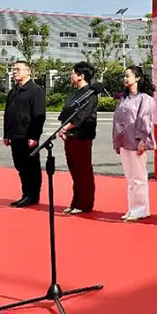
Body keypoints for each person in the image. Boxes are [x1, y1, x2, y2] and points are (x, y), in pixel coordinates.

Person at [113, 65, 157, 222]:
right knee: (130, 178)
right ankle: (133, 208)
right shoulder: (124, 99)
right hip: (124, 142)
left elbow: (145, 120)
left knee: (139, 177)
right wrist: (117, 141)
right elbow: (117, 121)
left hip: (137, 142)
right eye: (124, 76)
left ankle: (141, 209)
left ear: (137, 78)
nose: (125, 79)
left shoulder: (145, 99)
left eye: (128, 76)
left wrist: (142, 140)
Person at [57, 61, 100, 214]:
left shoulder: (90, 94)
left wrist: (66, 128)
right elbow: (66, 112)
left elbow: (82, 116)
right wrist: (62, 128)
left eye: (73, 73)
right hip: (70, 137)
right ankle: (76, 202)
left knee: (83, 171)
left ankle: (85, 204)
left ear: (81, 76)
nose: (71, 76)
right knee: (74, 171)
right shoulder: (74, 93)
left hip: (82, 136)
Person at [3, 60, 46, 207]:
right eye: (13, 69)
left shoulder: (35, 90)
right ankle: (25, 193)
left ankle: (33, 196)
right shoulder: (14, 91)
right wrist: (6, 134)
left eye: (18, 69)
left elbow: (39, 115)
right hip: (14, 134)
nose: (14, 72)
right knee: (20, 166)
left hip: (28, 135)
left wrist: (35, 136)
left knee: (31, 167)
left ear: (28, 71)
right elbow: (7, 114)